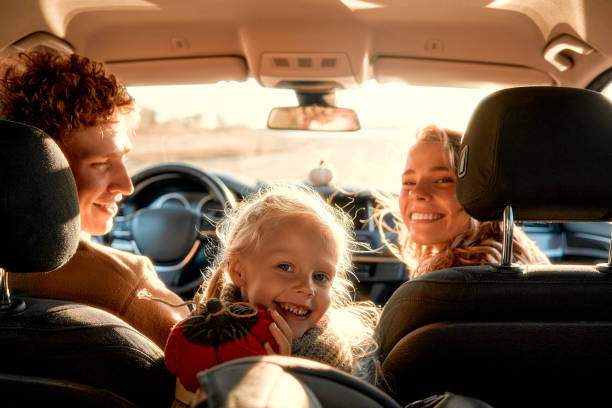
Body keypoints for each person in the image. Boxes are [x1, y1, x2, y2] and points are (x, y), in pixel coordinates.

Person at [0, 49, 189, 349]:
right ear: (40, 169)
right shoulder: (126, 284)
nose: (126, 185)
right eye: (101, 164)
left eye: (124, 159)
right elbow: (212, 358)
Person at [166, 184, 381, 405]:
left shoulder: (330, 359)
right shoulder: (203, 333)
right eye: (286, 267)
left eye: (320, 277)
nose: (307, 288)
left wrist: (281, 378)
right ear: (239, 270)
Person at [375, 124, 549, 279]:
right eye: (409, 182)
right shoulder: (520, 261)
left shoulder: (452, 283)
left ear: (483, 191)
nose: (417, 192)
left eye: (443, 180)